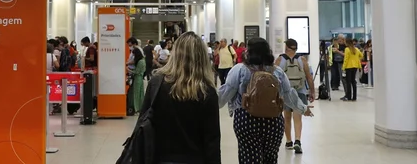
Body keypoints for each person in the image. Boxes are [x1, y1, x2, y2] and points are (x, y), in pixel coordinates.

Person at [219, 38, 313, 164]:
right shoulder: (277, 72)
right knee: (270, 158)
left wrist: (208, 105)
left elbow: (226, 93)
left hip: (246, 121)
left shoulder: (240, 70)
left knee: (249, 158)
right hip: (273, 123)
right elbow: (288, 94)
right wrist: (303, 108)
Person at [142, 32, 220, 163]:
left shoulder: (157, 84)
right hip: (194, 158)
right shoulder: (207, 91)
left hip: (159, 157)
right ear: (202, 57)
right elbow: (212, 140)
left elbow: (143, 121)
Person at [275, 39, 315, 154]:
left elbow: (274, 77)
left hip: (285, 93)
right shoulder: (302, 60)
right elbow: (309, 77)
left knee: (287, 117)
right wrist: (312, 91)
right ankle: (298, 141)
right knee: (298, 118)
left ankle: (288, 141)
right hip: (300, 91)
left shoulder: (280, 59)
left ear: (287, 47)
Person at [131, 47, 146, 114]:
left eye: (134, 54)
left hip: (137, 78)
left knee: (136, 94)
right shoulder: (143, 60)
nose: (133, 56)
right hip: (140, 78)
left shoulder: (140, 61)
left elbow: (136, 72)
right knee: (141, 94)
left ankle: (136, 108)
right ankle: (140, 107)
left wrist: (128, 70)